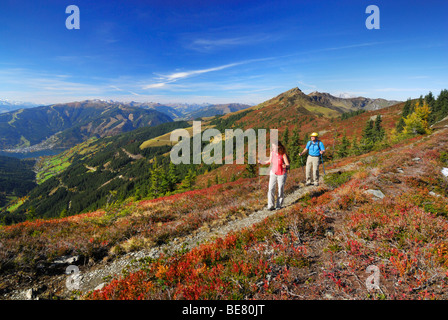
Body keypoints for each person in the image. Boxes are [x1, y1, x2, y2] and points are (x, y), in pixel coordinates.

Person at [258, 141, 290, 210]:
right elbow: (269, 161)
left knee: (280, 189)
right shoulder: (272, 153)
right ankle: (271, 205)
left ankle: (278, 205)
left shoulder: (283, 154)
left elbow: (288, 164)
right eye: (272, 146)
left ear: (278, 146)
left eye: (273, 146)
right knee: (271, 189)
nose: (272, 148)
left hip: (282, 174)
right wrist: (261, 162)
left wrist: (285, 166)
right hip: (273, 173)